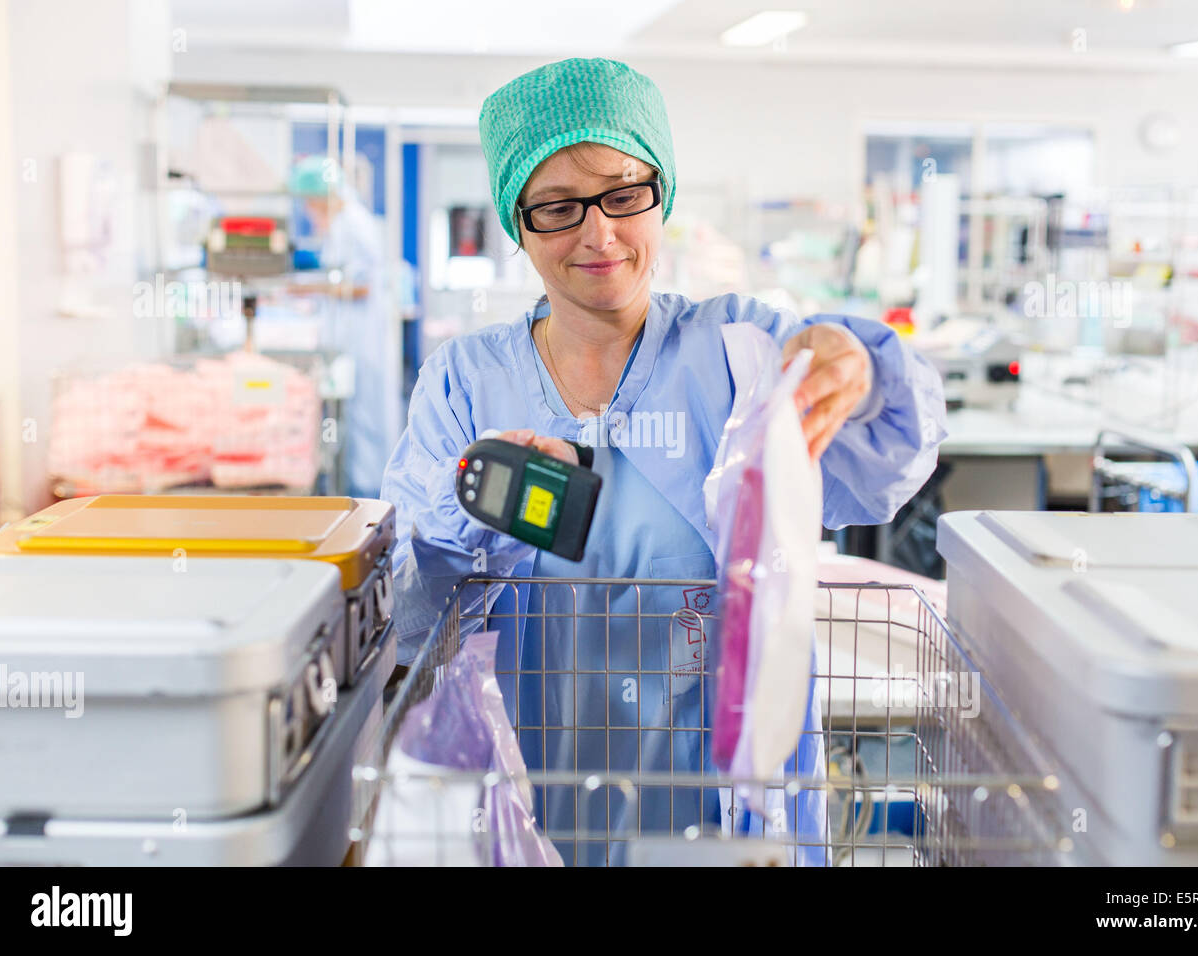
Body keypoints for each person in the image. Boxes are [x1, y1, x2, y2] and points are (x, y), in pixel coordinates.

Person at [380, 57, 947, 865]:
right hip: (539, 796)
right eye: (557, 208)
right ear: (517, 224)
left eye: (622, 193)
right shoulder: (466, 383)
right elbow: (409, 614)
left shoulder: (740, 350)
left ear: (661, 193)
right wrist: (463, 507)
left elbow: (881, 473)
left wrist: (861, 367)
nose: (598, 232)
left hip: (731, 809)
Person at [291, 156, 410, 499]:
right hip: (353, 340)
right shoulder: (345, 222)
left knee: (364, 423)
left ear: (319, 197)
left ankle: (368, 498)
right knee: (356, 422)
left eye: (309, 203)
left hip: (363, 342)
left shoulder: (352, 224)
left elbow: (361, 286)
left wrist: (309, 287)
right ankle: (360, 493)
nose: (309, 211)